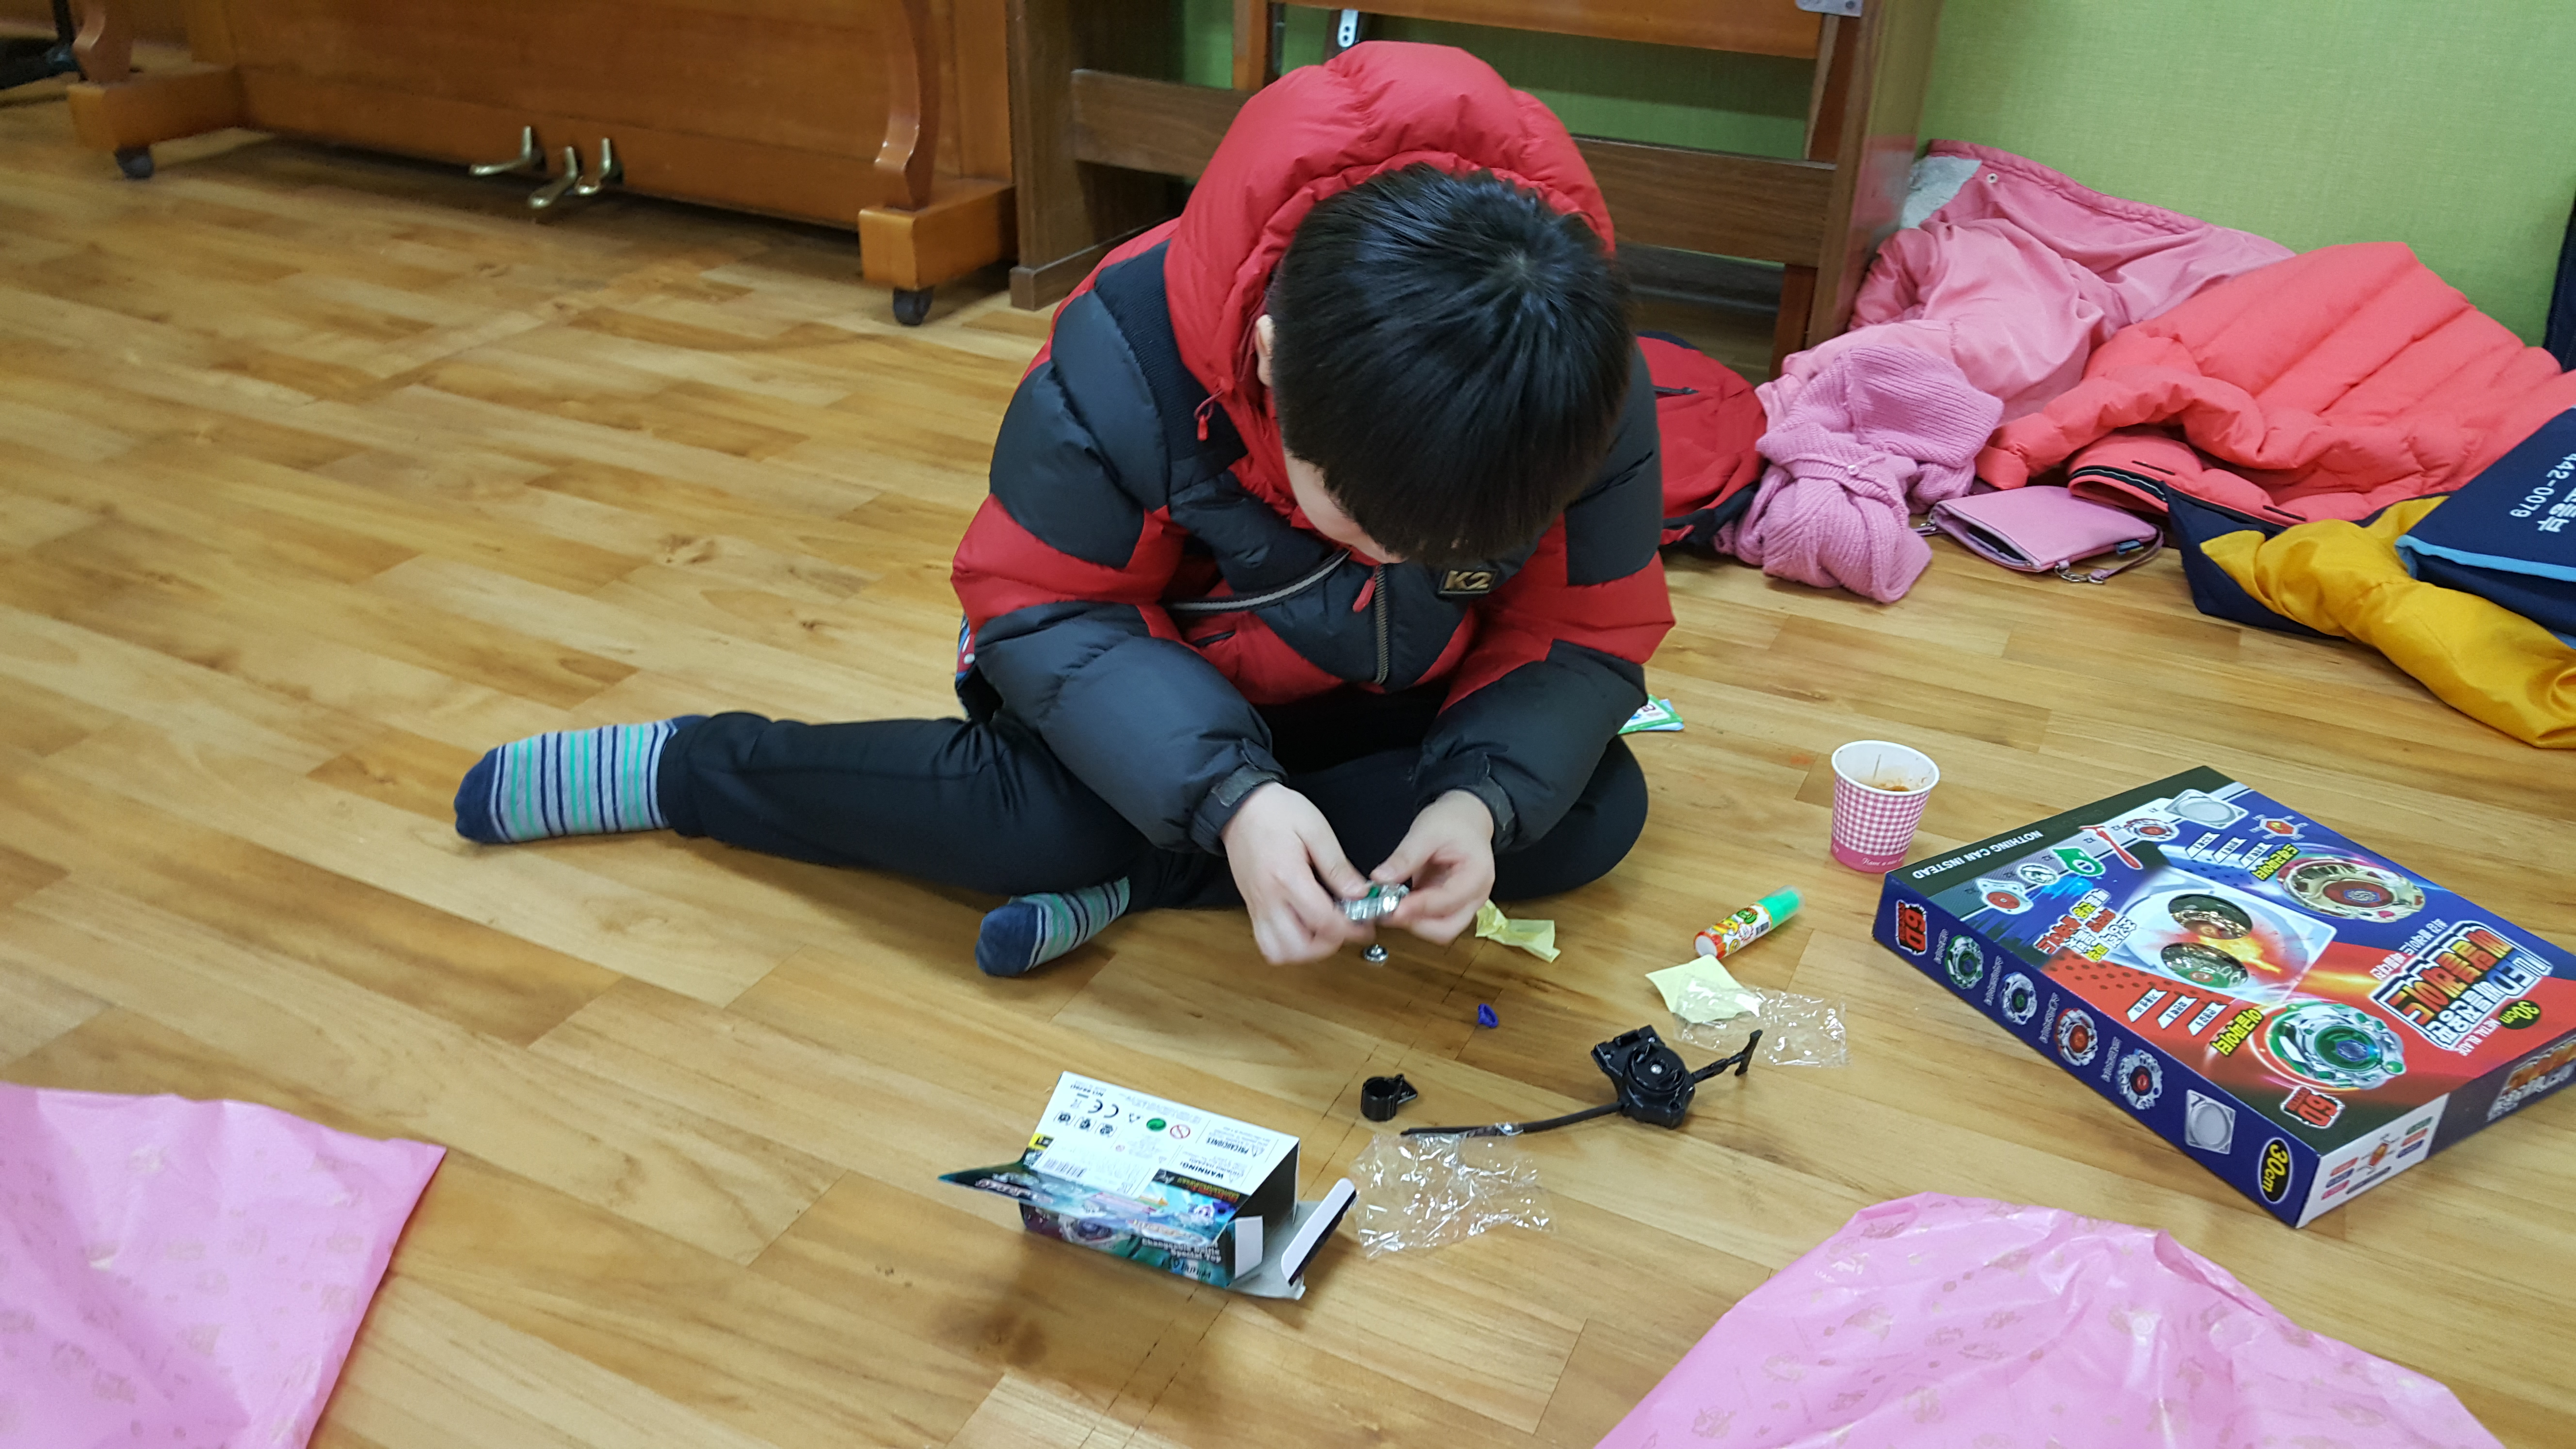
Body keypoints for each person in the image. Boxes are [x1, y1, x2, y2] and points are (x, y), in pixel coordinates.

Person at [448, 43, 1672, 974]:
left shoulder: (1582, 382)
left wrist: (1475, 802)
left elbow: (1580, 633)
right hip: (1139, 690)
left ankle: (1145, 874)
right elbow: (1044, 611)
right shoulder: (1129, 345)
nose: (1397, 556)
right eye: (1360, 517)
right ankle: (695, 771)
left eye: (1445, 542)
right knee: (1035, 820)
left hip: (1376, 706)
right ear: (1270, 361)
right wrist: (1235, 799)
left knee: (1589, 811)